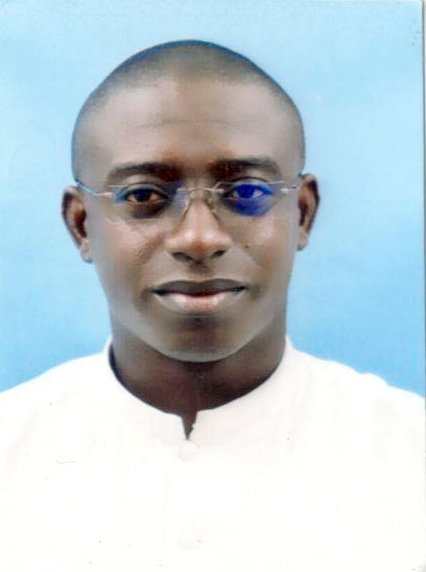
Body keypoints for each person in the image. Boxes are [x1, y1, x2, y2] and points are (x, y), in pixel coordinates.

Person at [0, 40, 424, 572]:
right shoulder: (11, 450)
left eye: (247, 193)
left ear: (303, 215)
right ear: (82, 225)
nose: (199, 238)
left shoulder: (410, 455)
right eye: (143, 196)